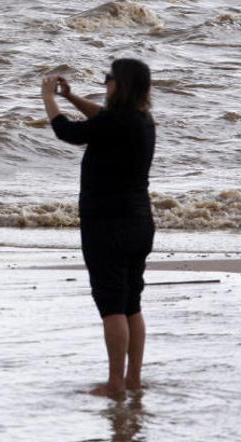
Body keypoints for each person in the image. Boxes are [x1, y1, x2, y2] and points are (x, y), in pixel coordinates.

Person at [41, 59, 156, 398]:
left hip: (107, 224)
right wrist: (72, 97)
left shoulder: (116, 123)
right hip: (139, 223)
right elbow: (101, 120)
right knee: (131, 302)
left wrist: (48, 98)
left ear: (120, 85)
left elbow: (68, 132)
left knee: (112, 306)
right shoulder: (141, 120)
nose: (105, 83)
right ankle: (133, 378)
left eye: (109, 78)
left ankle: (115, 383)